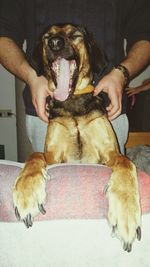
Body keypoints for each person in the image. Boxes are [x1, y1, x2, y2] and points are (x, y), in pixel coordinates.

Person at [0, 0, 150, 154]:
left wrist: (122, 73)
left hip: (108, 108)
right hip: (46, 109)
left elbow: (145, 34)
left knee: (116, 173)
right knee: (49, 174)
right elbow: (3, 34)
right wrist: (31, 76)